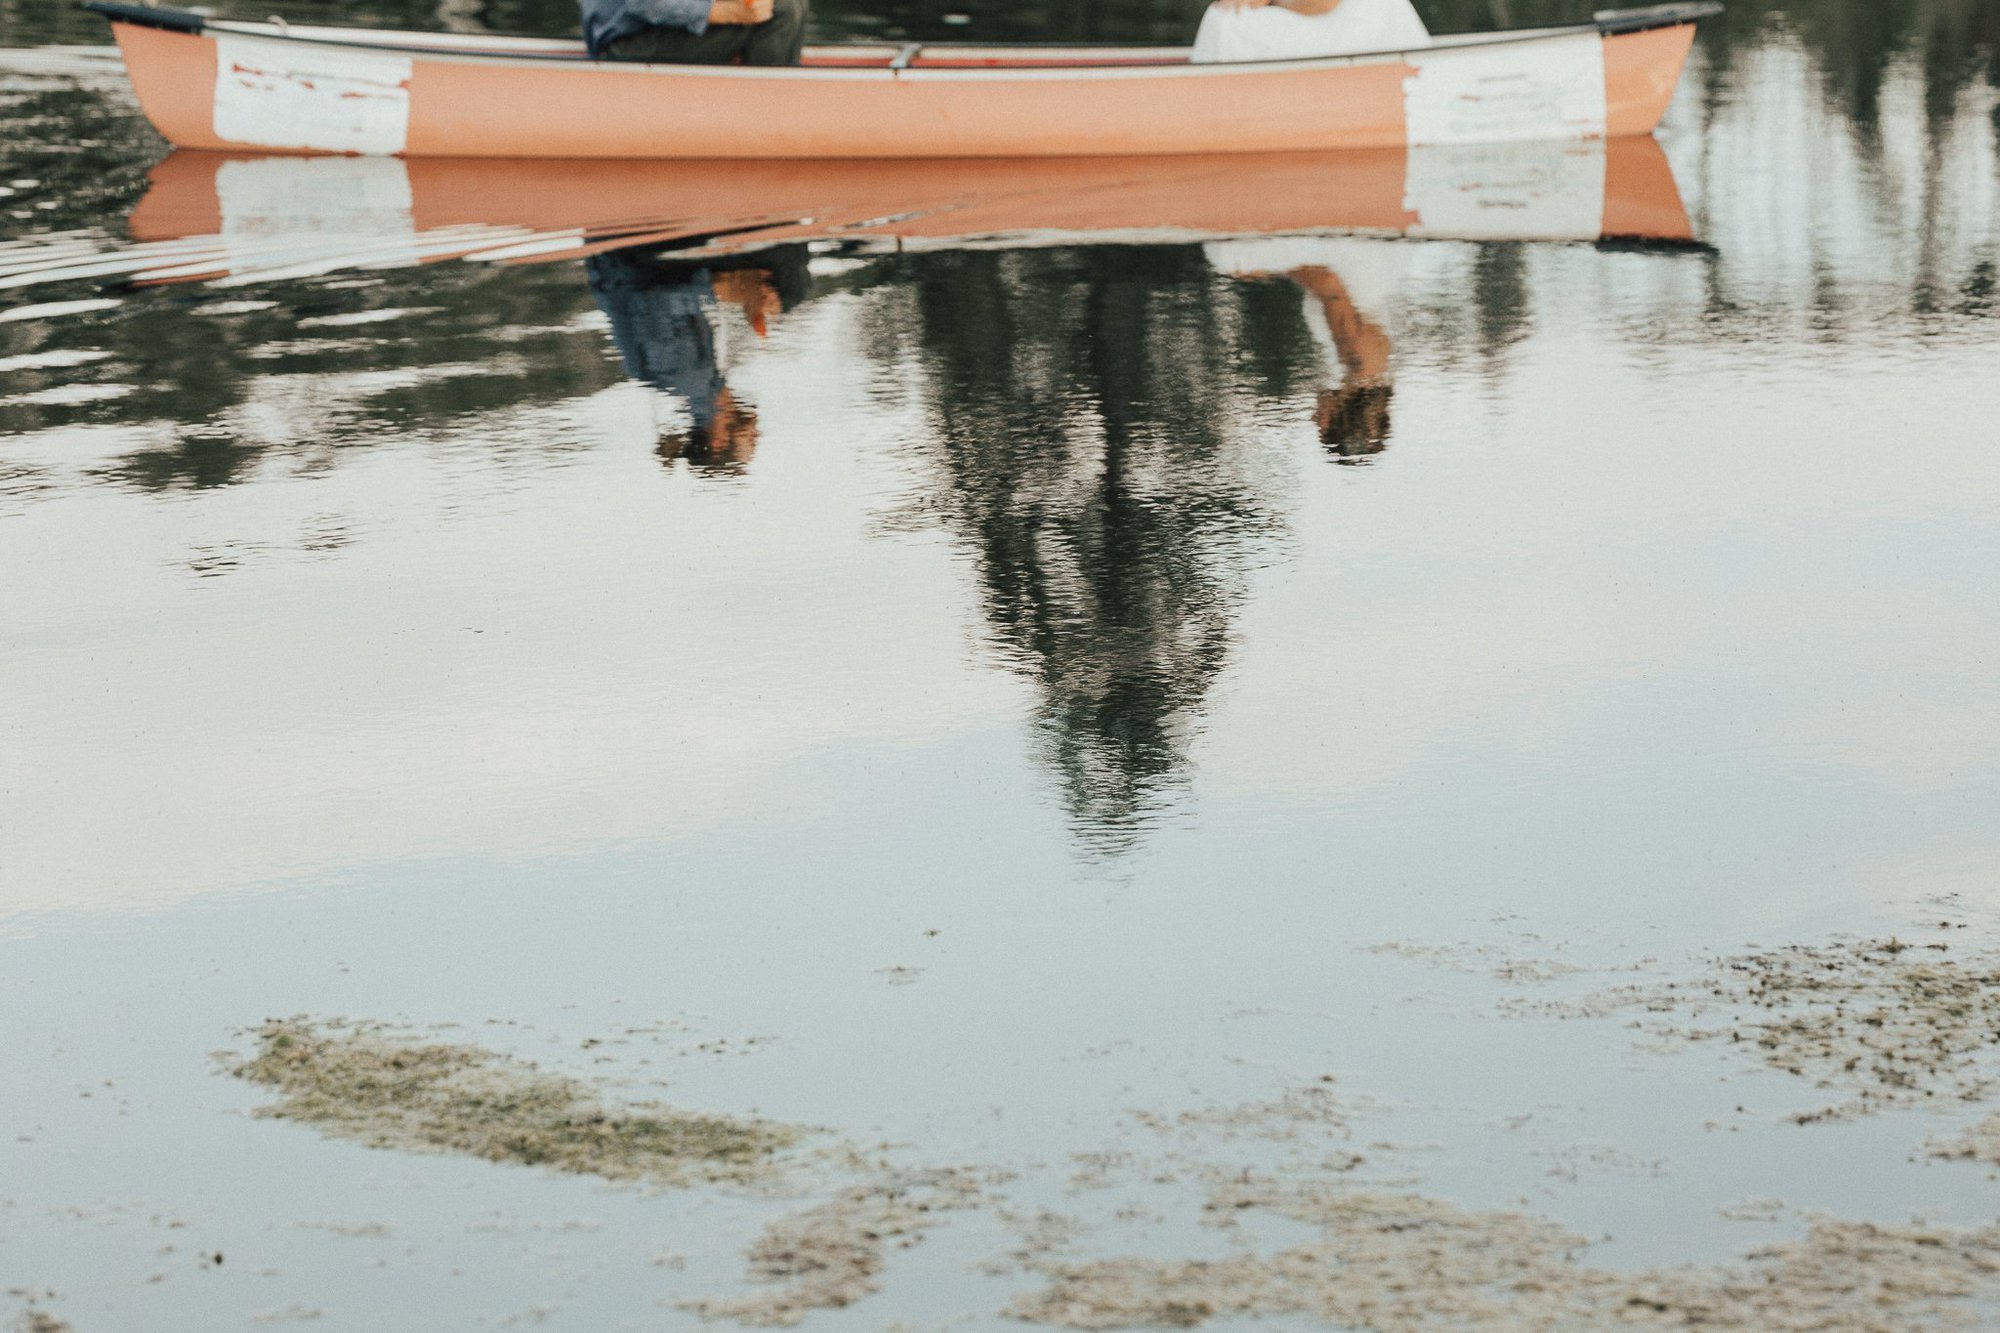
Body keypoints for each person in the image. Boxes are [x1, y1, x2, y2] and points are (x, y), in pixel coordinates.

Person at [1190, 0, 1428, 63]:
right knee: (1223, 17)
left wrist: (1272, 3)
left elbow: (1324, 4)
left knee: (1224, 20)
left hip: (1358, 30)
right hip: (1355, 27)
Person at [582, 0, 808, 65]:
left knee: (789, 4)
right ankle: (764, 117)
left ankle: (779, 103)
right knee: (783, 10)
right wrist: (726, 11)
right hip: (624, 48)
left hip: (657, 33)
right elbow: (646, 4)